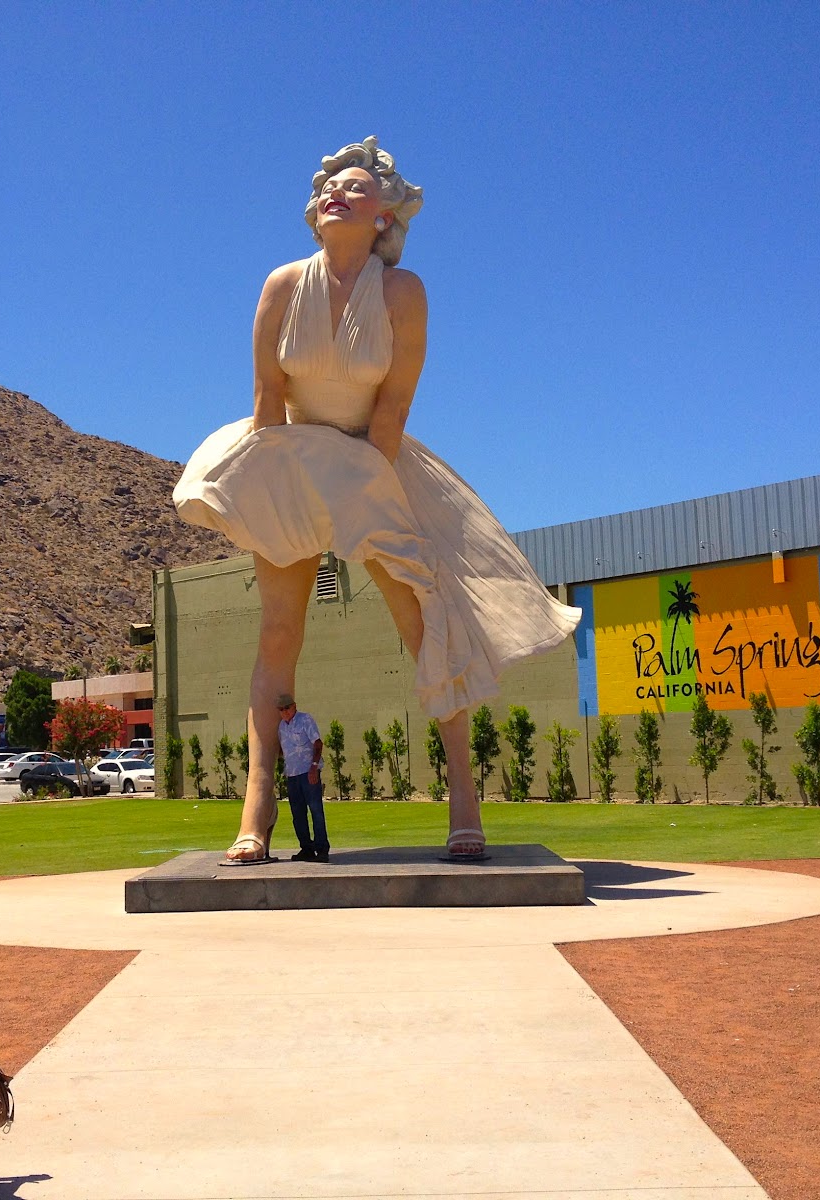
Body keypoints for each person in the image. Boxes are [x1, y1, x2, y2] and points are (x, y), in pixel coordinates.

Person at [175, 137, 581, 863]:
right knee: (276, 634)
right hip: (291, 458)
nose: (337, 192)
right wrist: (288, 501)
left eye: (356, 186)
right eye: (330, 185)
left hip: (374, 462)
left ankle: (464, 799)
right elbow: (268, 403)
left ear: (386, 213)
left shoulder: (404, 293)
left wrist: (356, 503)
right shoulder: (280, 285)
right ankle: (256, 811)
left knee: (427, 625)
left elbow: (392, 410)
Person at [276, 693, 328, 862]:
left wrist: (314, 767)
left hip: (308, 772)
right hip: (292, 774)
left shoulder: (305, 720)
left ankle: (322, 849)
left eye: (287, 708)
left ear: (294, 706)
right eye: (281, 709)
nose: (285, 712)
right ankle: (306, 848)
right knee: (297, 814)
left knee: (316, 811)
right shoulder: (282, 727)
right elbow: (282, 750)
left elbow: (318, 744)